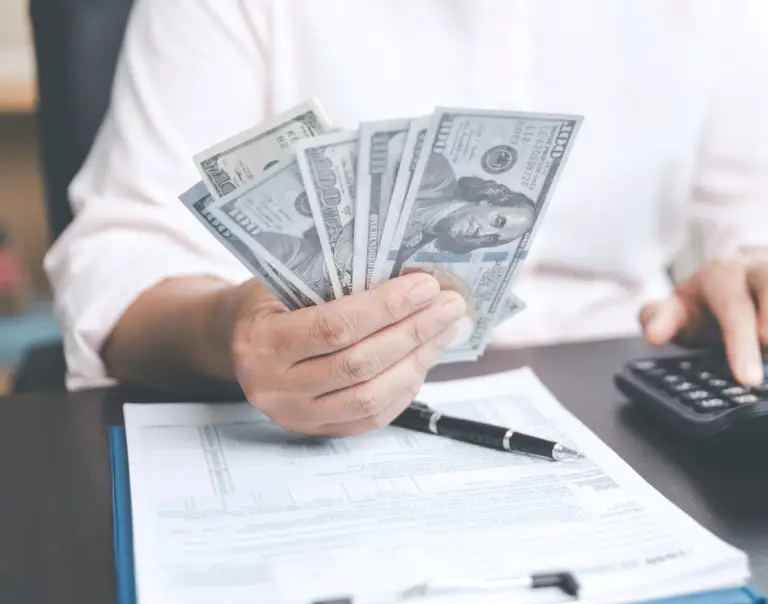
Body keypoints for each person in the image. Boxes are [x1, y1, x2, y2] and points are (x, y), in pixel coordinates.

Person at [45, 1, 768, 438]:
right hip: (313, 427)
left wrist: (746, 285)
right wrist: (233, 331)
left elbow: (752, 219)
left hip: (631, 411)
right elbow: (121, 258)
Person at [391, 152, 537, 275]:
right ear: (487, 201)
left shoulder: (407, 256)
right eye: (497, 221)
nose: (482, 234)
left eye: (493, 238)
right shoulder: (437, 175)